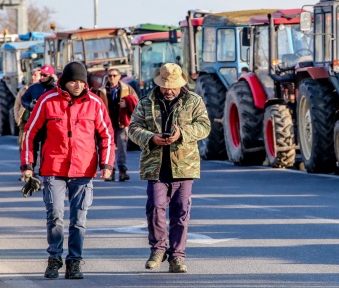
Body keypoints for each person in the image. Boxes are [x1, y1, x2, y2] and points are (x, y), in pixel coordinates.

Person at [20, 61, 115, 280]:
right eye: (73, 81)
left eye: (81, 81)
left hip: (83, 171)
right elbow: (30, 133)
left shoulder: (95, 103)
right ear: (64, 81)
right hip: (53, 168)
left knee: (79, 219)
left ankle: (74, 261)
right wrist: (27, 166)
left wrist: (107, 165)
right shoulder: (47, 101)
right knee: (55, 215)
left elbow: (107, 136)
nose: (77, 85)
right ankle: (54, 258)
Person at [128, 63, 210, 273]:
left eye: (172, 86)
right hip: (155, 166)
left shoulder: (194, 101)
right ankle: (157, 250)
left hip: (184, 166)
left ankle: (177, 256)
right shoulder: (147, 102)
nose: (169, 90)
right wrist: (151, 138)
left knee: (181, 213)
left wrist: (181, 133)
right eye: (165, 86)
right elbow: (134, 128)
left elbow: (204, 126)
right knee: (155, 208)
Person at [98, 68, 139, 181]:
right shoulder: (102, 90)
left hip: (121, 123)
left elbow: (136, 101)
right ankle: (110, 171)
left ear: (119, 76)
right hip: (107, 124)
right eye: (110, 76)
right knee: (108, 148)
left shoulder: (127, 88)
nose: (112, 78)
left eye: (114, 75)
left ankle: (122, 171)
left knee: (122, 148)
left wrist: (127, 103)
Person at [13, 67, 40, 157]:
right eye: (32, 75)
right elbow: (17, 106)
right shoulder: (24, 90)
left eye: (35, 75)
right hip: (25, 124)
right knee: (23, 147)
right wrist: (18, 119)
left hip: (39, 124)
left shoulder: (45, 90)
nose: (33, 77)